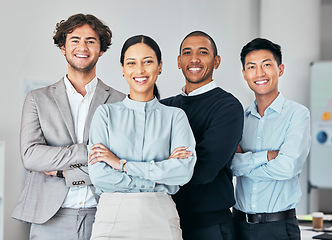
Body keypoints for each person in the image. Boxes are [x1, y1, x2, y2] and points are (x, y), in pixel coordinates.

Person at [11, 13, 125, 240]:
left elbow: (119, 164)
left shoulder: (121, 102)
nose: (82, 47)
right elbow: (31, 156)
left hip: (105, 215)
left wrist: (64, 172)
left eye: (91, 41)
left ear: (101, 50)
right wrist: (88, 150)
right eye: (75, 40)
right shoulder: (37, 99)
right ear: (63, 47)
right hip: (49, 218)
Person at [87, 35, 197, 240]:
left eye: (148, 62)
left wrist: (121, 164)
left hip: (161, 218)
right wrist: (159, 176)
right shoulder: (105, 114)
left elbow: (183, 172)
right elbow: (99, 176)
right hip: (112, 219)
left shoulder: (175, 117)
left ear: (160, 66)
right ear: (123, 68)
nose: (140, 70)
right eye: (131, 63)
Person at [161, 31, 244, 240]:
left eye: (203, 52)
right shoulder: (165, 106)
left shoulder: (228, 107)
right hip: (166, 220)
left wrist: (154, 169)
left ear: (216, 61)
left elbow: (204, 169)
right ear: (179, 62)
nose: (194, 59)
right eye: (187, 53)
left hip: (209, 226)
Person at [231, 38, 311, 240]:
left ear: (280, 69)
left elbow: (287, 167)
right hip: (238, 226)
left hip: (279, 228)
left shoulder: (297, 114)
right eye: (252, 67)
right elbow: (230, 166)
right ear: (244, 74)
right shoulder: (239, 118)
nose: (259, 73)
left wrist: (246, 163)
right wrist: (267, 156)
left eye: (266, 65)